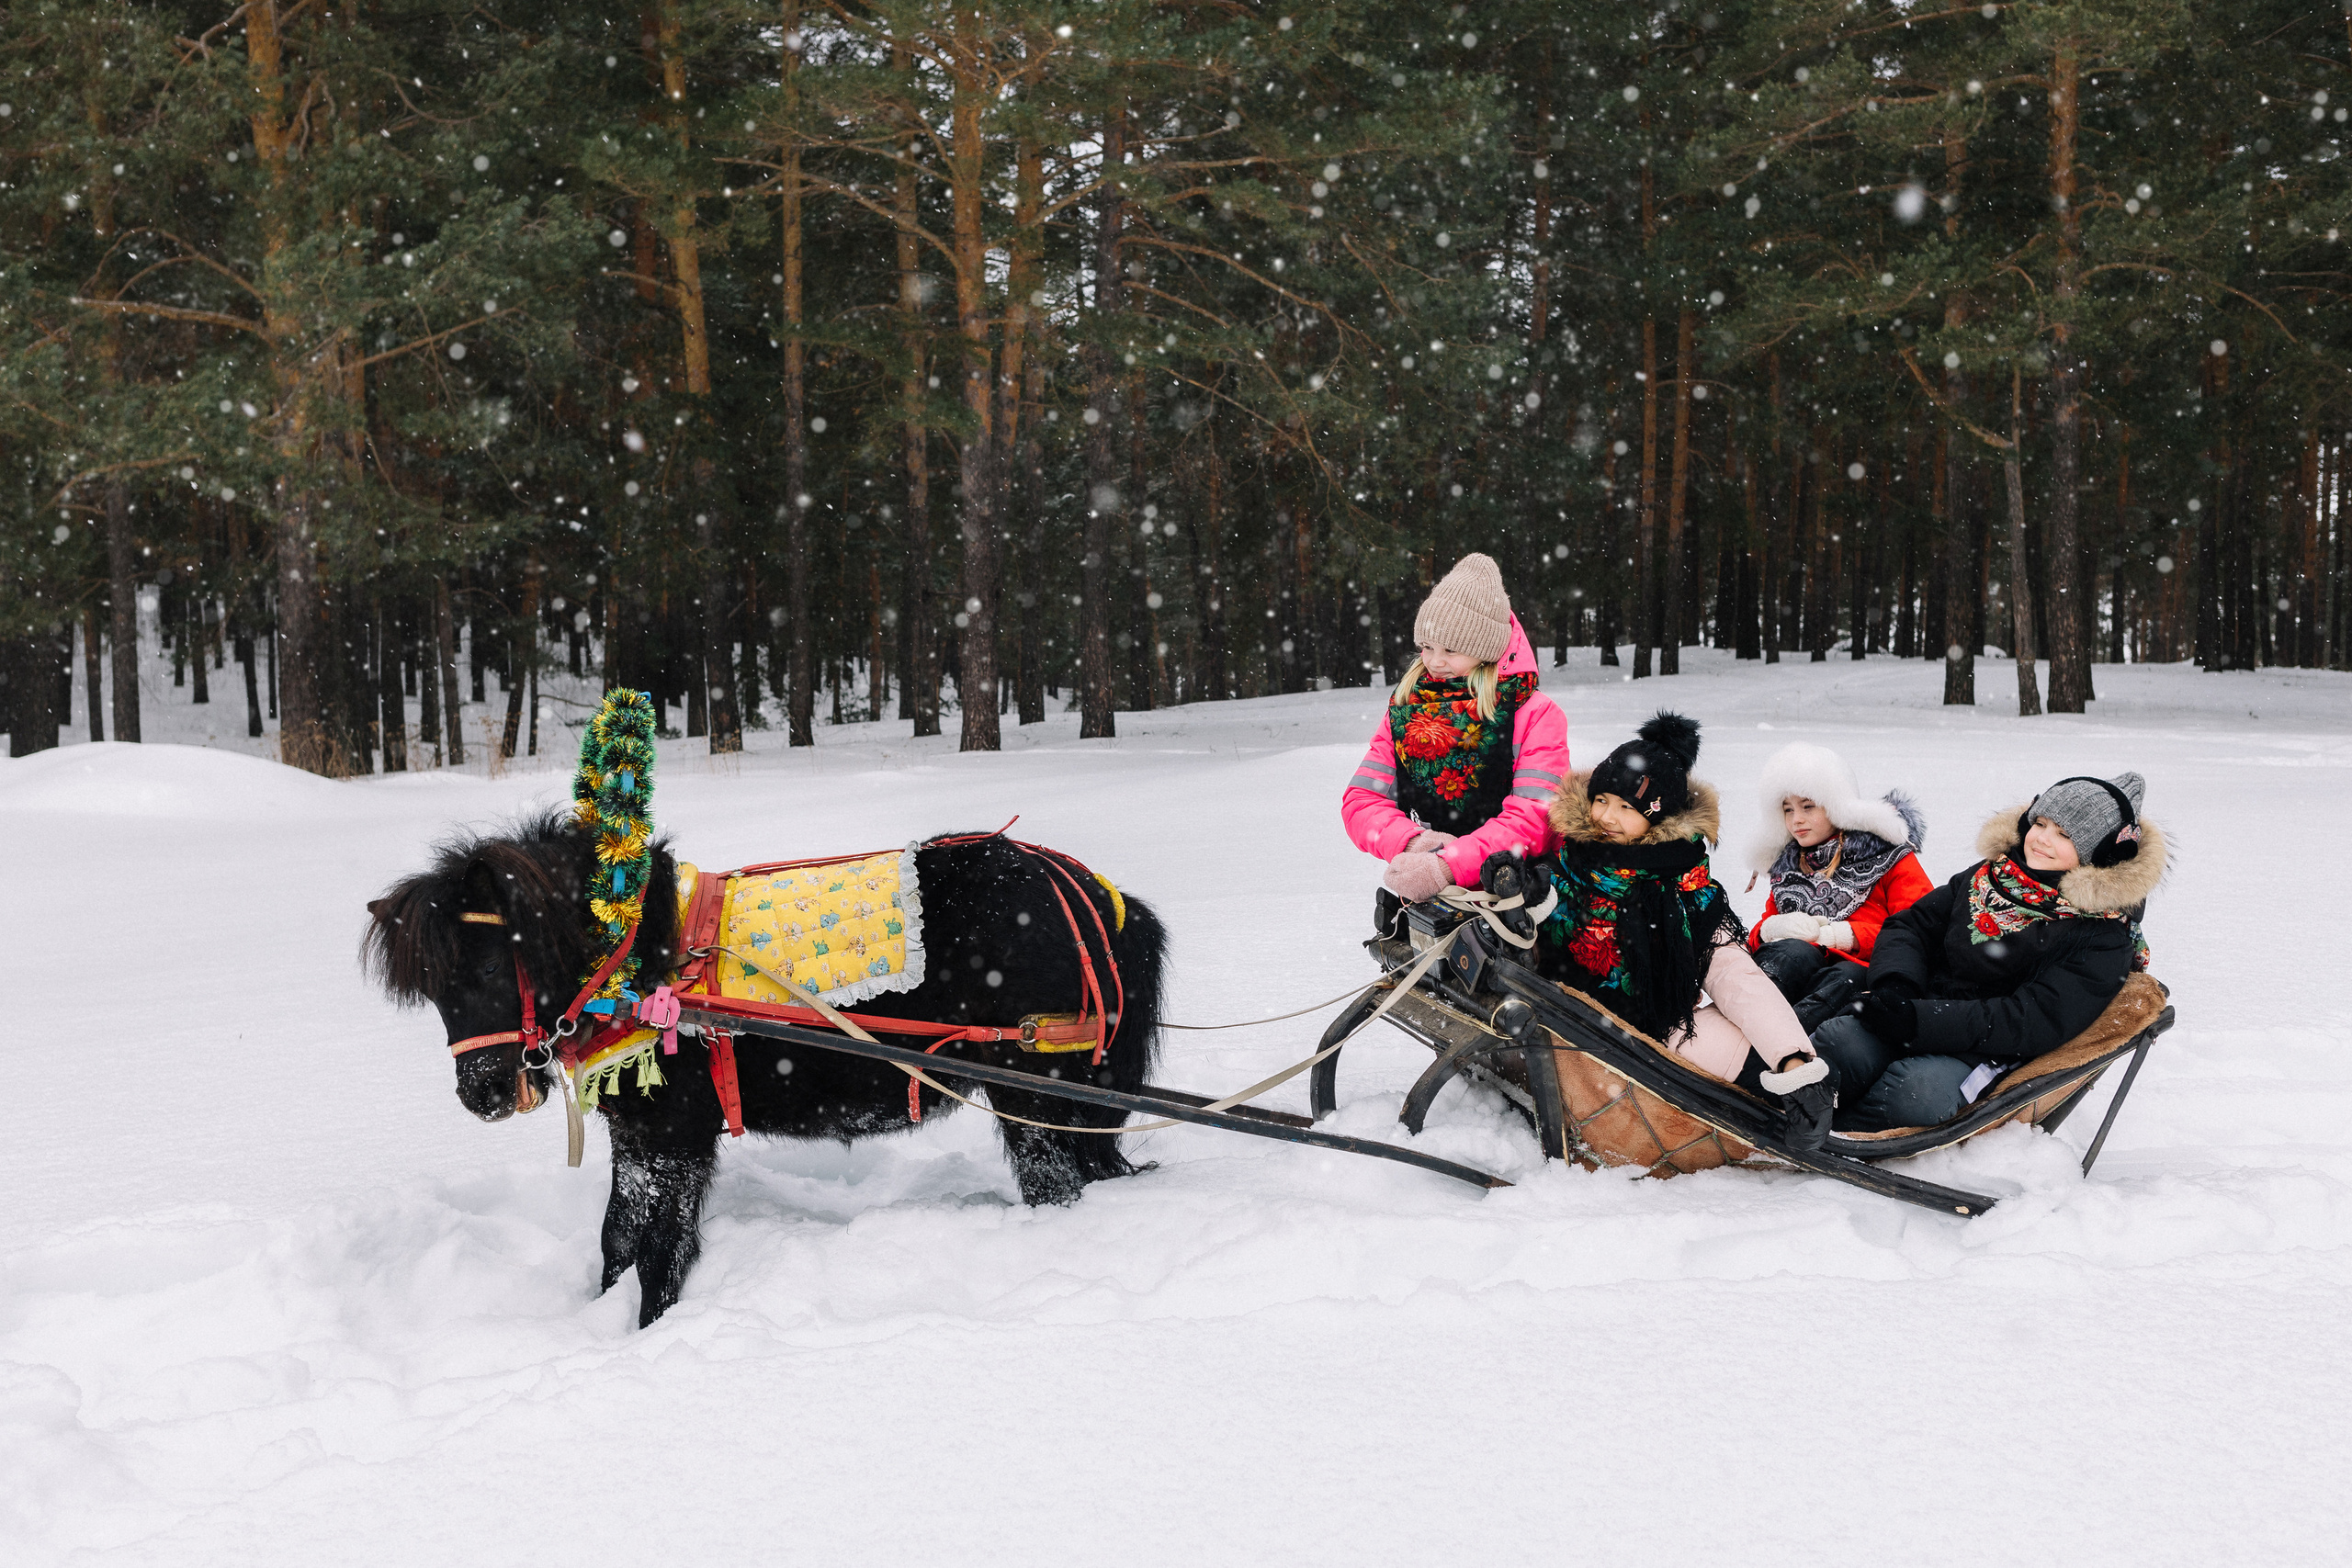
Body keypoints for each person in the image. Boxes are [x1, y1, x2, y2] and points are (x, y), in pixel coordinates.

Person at [1810, 773, 2167, 1134]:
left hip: (1990, 1050)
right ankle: (1796, 1115)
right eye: (2040, 823)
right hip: (1918, 1005)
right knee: (1839, 1044)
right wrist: (1897, 987)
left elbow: (2030, 1019)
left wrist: (1921, 1021)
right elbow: (1911, 926)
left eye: (2064, 835)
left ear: (2100, 856)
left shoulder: (2103, 936)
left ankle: (1842, 1137)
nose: (2042, 838)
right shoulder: (1990, 875)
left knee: (1913, 1092)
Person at [1529, 712, 1828, 1115]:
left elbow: (1732, 973)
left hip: (1662, 1025)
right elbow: (1523, 921)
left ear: (1659, 817)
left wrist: (1792, 1063)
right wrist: (1515, 890)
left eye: (1626, 807)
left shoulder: (1686, 888)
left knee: (1768, 1081)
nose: (1606, 817)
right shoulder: (1566, 864)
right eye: (1600, 800)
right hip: (1564, 1019)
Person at [1340, 553, 1568, 908]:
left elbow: (1534, 817)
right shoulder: (1408, 708)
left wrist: (1450, 863)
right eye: (1428, 647)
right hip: (1431, 896)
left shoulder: (1533, 713)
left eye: (1452, 649)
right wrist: (1417, 843)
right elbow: (1361, 801)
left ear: (1486, 650)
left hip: (1516, 899)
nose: (1435, 662)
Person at [1744, 742, 1933, 1032]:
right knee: (1790, 955)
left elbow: (1919, 928)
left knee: (1845, 977)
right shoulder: (1789, 866)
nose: (1797, 820)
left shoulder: (1888, 856)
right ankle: (1748, 1030)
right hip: (1796, 969)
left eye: (1808, 807)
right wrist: (1773, 929)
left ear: (1835, 805)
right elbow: (1759, 937)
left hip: (1860, 974)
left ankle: (1779, 1045)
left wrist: (1842, 936)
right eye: (1788, 810)